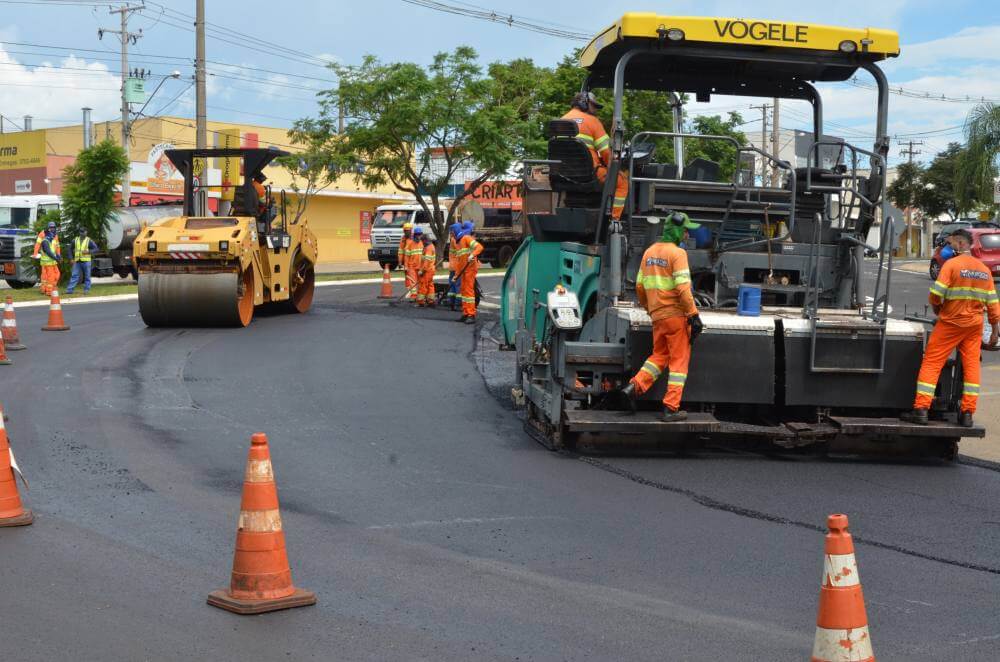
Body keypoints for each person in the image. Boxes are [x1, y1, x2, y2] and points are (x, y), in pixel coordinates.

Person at [902, 229, 999, 427]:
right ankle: (967, 414)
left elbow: (936, 294)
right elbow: (993, 303)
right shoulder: (983, 270)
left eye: (951, 243)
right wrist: (995, 331)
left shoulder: (952, 265)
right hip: (974, 325)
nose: (948, 247)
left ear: (961, 243)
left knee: (932, 362)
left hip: (951, 323)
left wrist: (938, 308)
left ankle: (921, 409)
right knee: (972, 366)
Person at [620, 212, 704, 422]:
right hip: (676, 316)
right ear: (677, 231)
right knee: (679, 363)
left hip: (658, 316)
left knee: (659, 356)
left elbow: (640, 286)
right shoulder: (678, 254)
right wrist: (694, 315)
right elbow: (684, 289)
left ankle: (634, 387)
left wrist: (651, 309)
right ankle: (671, 409)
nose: (686, 234)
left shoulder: (649, 252)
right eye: (685, 230)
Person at [561, 91, 629, 221]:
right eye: (593, 106)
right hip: (589, 174)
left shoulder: (562, 120)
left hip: (564, 174)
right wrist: (616, 168)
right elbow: (607, 154)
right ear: (583, 103)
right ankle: (614, 222)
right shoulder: (592, 121)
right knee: (623, 182)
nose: (595, 110)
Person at [457, 221, 483, 324]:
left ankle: (471, 315)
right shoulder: (461, 242)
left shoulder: (467, 239)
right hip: (465, 271)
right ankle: (466, 313)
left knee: (468, 292)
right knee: (464, 291)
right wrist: (457, 275)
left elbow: (479, 247)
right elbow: (460, 261)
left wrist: (472, 255)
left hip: (469, 270)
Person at [37, 221, 62, 296]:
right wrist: (56, 258)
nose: (52, 229)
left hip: (51, 261)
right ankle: (49, 291)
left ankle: (45, 288)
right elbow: (48, 252)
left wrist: (59, 256)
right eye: (51, 227)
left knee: (53, 275)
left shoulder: (54, 238)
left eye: (53, 227)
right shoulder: (45, 240)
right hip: (48, 262)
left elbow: (56, 248)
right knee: (50, 277)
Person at [416, 233, 436, 307]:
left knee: (423, 285)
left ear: (424, 240)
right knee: (430, 285)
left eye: (422, 241)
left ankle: (421, 302)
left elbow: (427, 261)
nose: (421, 242)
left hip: (427, 270)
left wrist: (422, 270)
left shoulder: (428, 248)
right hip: (430, 270)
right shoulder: (430, 246)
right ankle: (431, 301)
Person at [405, 227, 424, 301]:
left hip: (420, 266)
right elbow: (406, 256)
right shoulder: (410, 244)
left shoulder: (422, 243)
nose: (419, 236)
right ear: (414, 235)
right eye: (417, 235)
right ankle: (413, 296)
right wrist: (406, 266)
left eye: (420, 235)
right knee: (413, 282)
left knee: (421, 282)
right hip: (412, 266)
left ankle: (420, 295)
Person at [447, 222, 462, 310]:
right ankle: (457, 303)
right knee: (458, 285)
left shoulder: (452, 239)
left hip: (452, 266)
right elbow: (460, 253)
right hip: (457, 267)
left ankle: (451, 301)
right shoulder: (456, 240)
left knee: (452, 284)